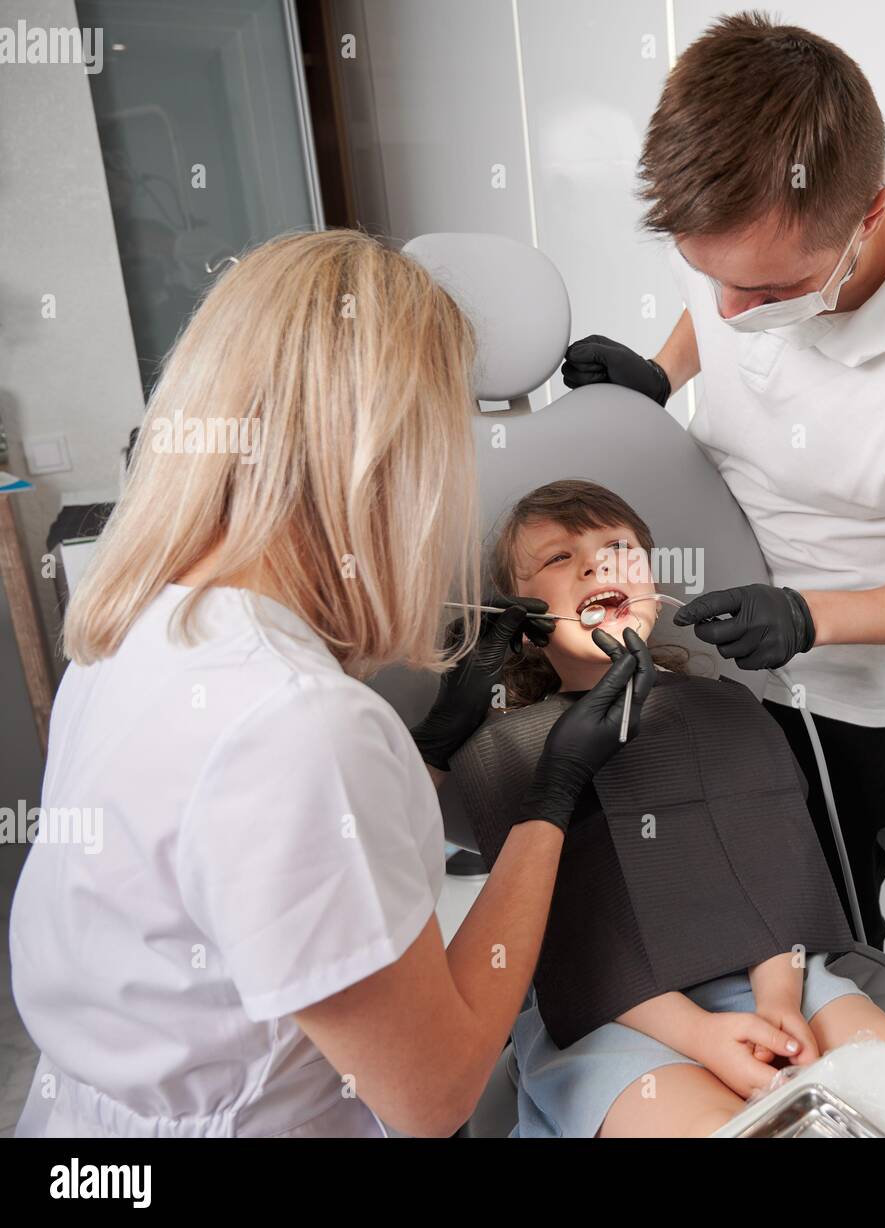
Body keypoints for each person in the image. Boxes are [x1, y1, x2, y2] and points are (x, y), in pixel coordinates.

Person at [9, 229, 653, 1138]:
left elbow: (265, 866)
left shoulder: (140, 620)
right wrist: (552, 799)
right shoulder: (298, 724)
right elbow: (434, 1095)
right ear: (388, 455)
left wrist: (423, 762)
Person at [561, 13, 885, 948]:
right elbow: (723, 303)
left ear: (863, 219)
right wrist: (662, 375)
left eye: (769, 294)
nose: (732, 312)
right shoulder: (746, 229)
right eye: (709, 276)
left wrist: (808, 616)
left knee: (819, 933)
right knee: (697, 897)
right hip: (700, 635)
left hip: (841, 694)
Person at [464, 479, 885, 1138]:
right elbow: (568, 949)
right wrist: (703, 1037)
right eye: (557, 559)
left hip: (771, 974)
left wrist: (779, 1004)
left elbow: (781, 878)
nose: (594, 565)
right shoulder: (505, 748)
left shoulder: (725, 709)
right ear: (522, 625)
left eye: (617, 548)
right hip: (611, 1013)